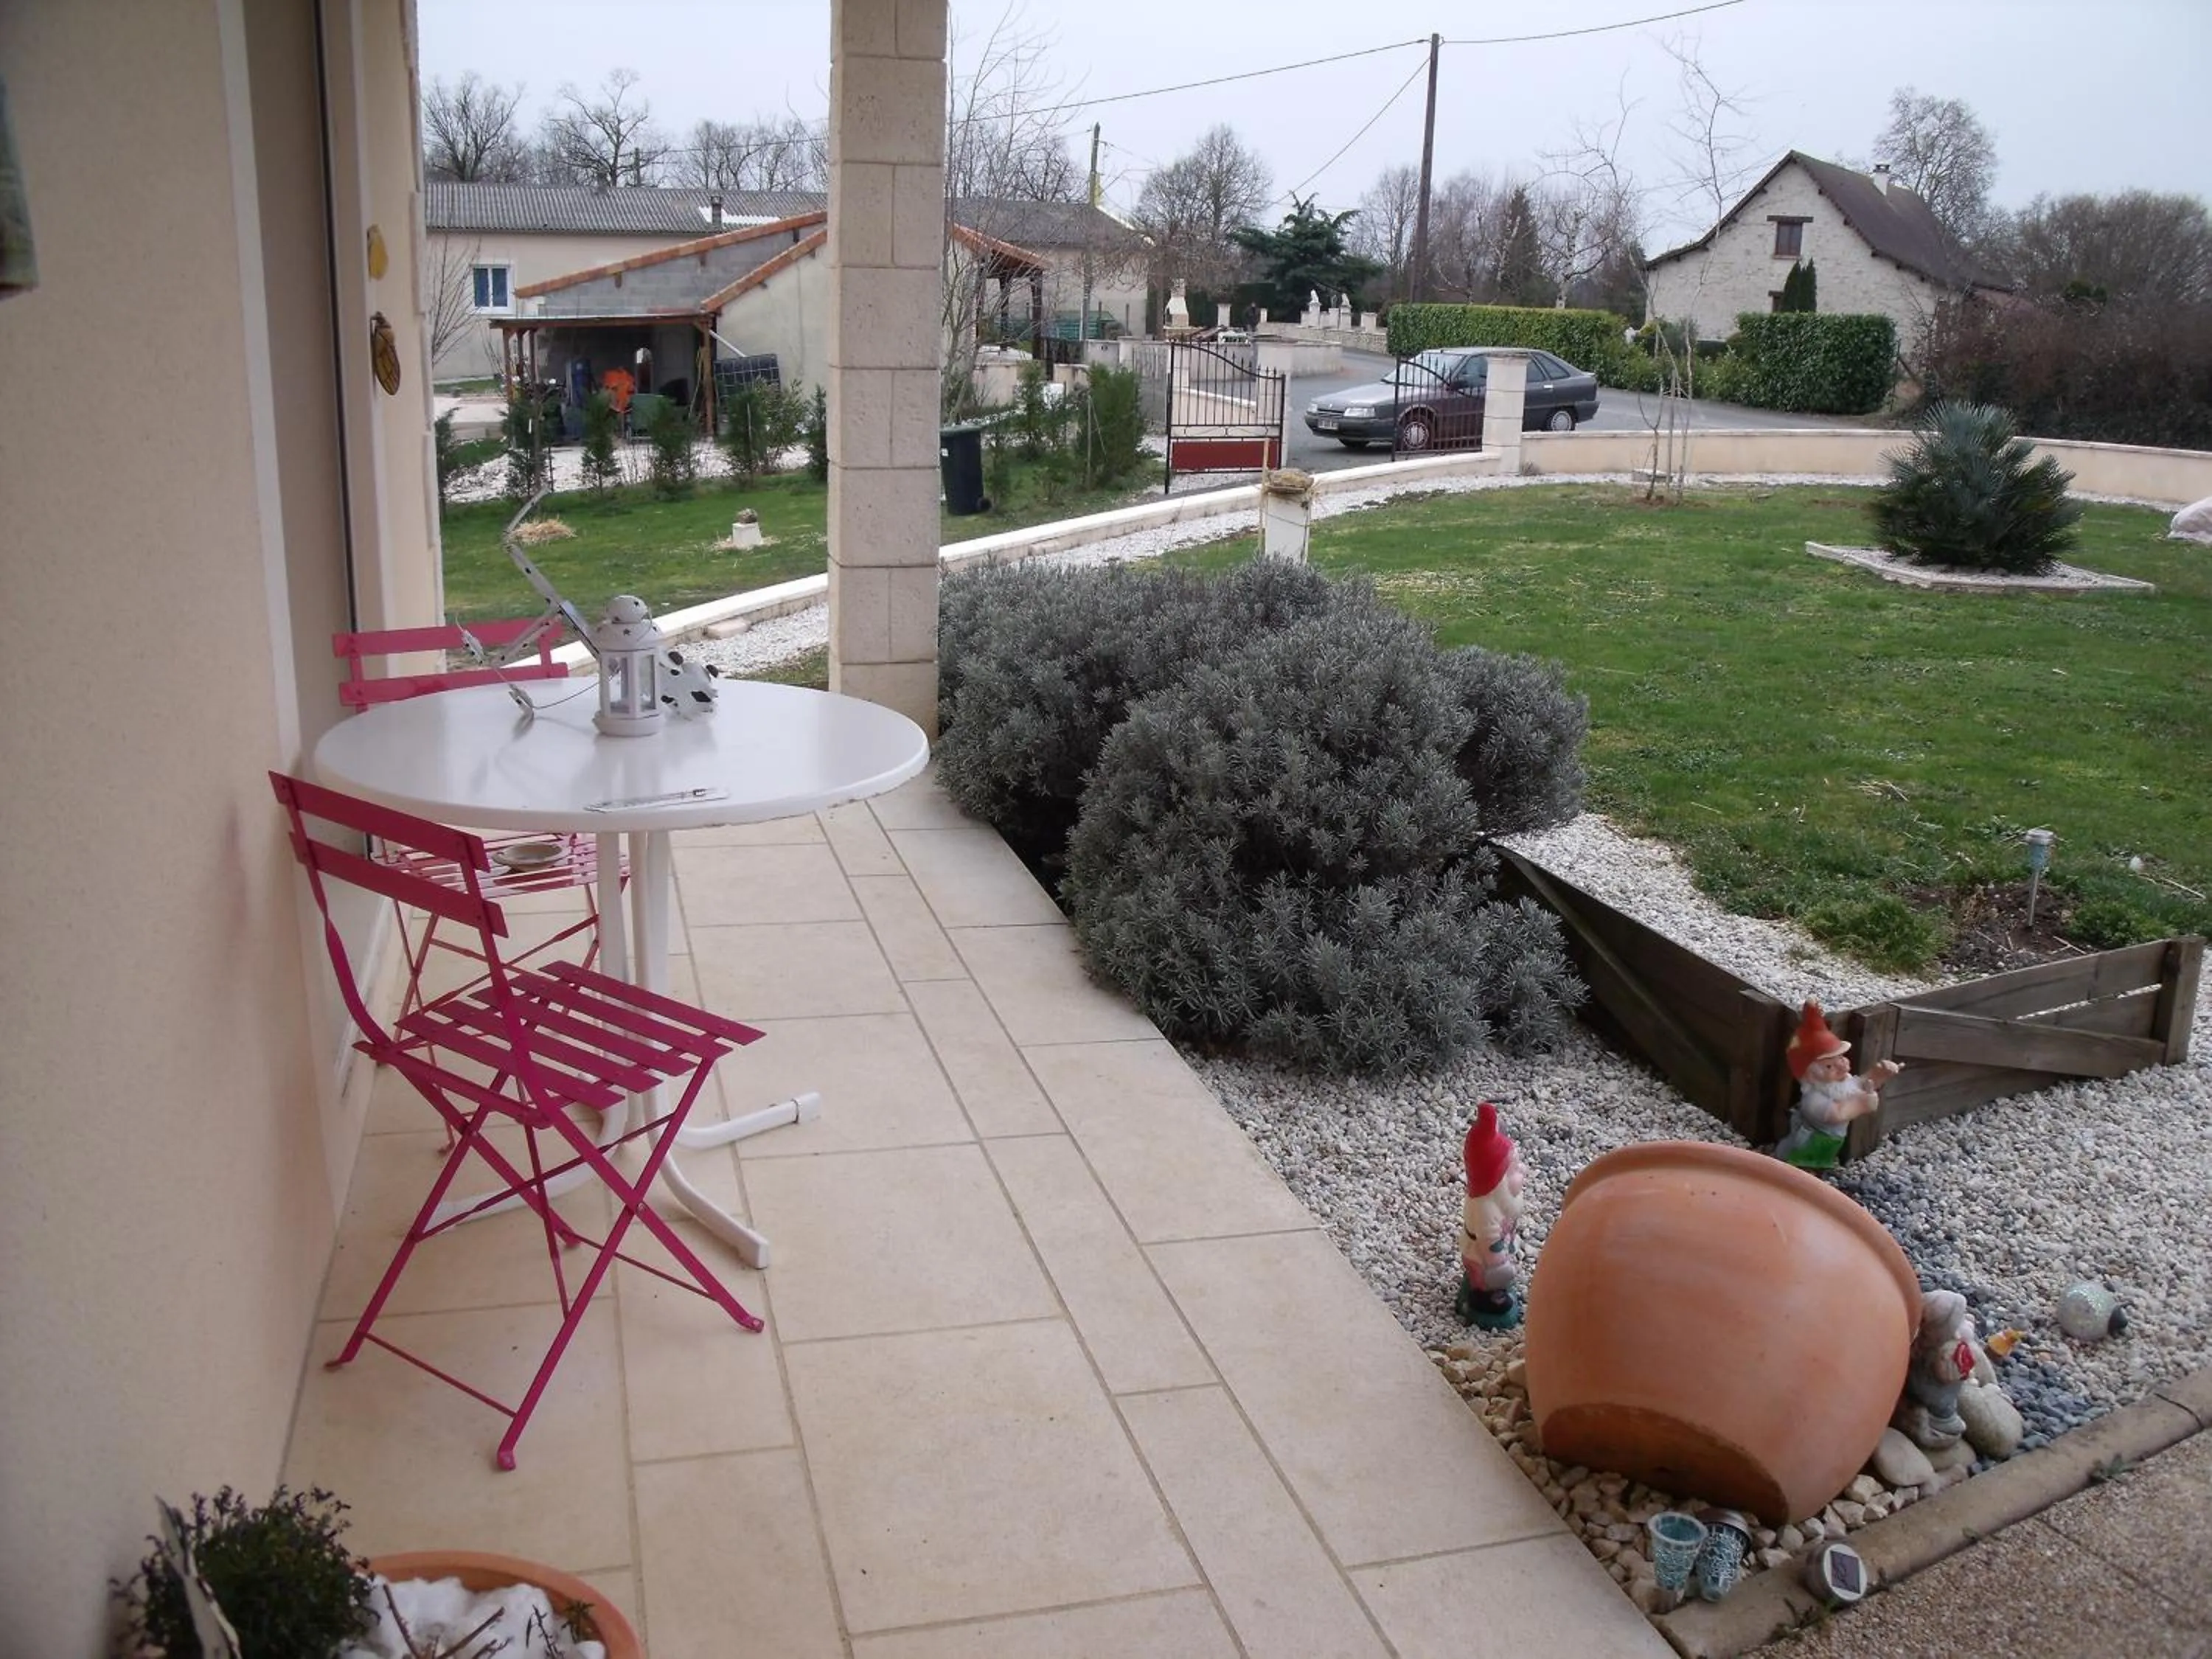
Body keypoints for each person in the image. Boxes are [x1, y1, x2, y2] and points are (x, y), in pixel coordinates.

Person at [1775, 1001, 1900, 1171]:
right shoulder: (1813, 1100)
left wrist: (1879, 1075)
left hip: (1828, 1143)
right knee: (1800, 1167)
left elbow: (1861, 1086)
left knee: (1819, 1165)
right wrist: (1861, 1105)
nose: (1841, 1066)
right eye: (1829, 1066)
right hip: (1807, 1146)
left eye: (1841, 1058)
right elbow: (1838, 1114)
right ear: (1811, 1075)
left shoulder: (1839, 1082)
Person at [1455, 1102, 1527, 1329]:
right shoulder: (1486, 1210)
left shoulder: (1500, 1202)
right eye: (1515, 1170)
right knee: (1492, 1279)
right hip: (1482, 1258)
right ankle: (1483, 1297)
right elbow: (1489, 1245)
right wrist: (1501, 1267)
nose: (1523, 1171)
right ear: (1496, 1183)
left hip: (1498, 1247)